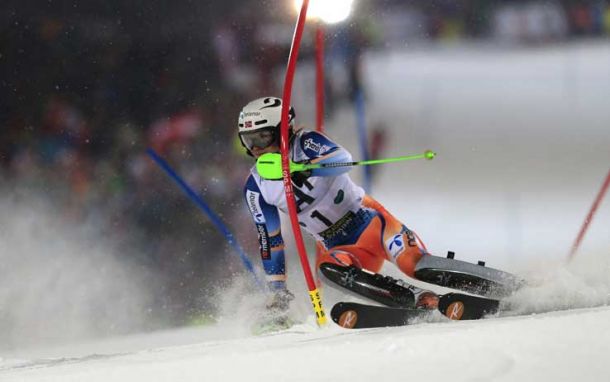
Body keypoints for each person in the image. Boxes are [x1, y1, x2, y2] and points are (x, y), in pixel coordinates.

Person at [239, 97, 437, 318]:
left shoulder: (306, 142)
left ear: (283, 130)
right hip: (336, 245)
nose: (256, 148)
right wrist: (277, 290)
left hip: (371, 222)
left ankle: (467, 279)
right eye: (248, 141)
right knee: (329, 271)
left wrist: (304, 167)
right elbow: (270, 241)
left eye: (262, 137)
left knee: (414, 265)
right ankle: (411, 297)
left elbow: (342, 158)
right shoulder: (255, 187)